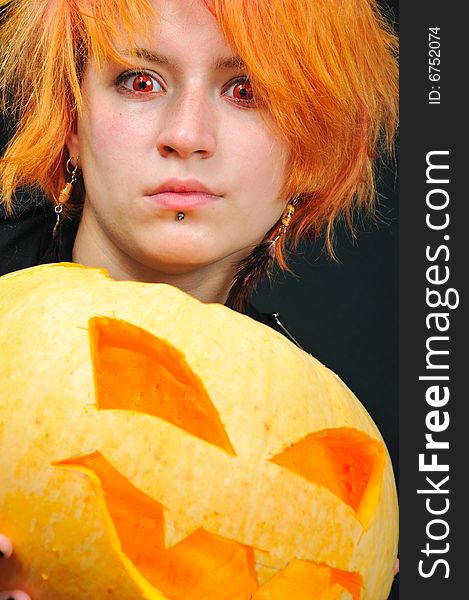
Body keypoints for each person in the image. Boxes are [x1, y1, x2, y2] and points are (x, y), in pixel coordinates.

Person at [0, 0, 398, 597]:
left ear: (309, 154)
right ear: (72, 124)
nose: (186, 136)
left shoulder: (320, 430)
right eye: (139, 81)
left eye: (245, 91)